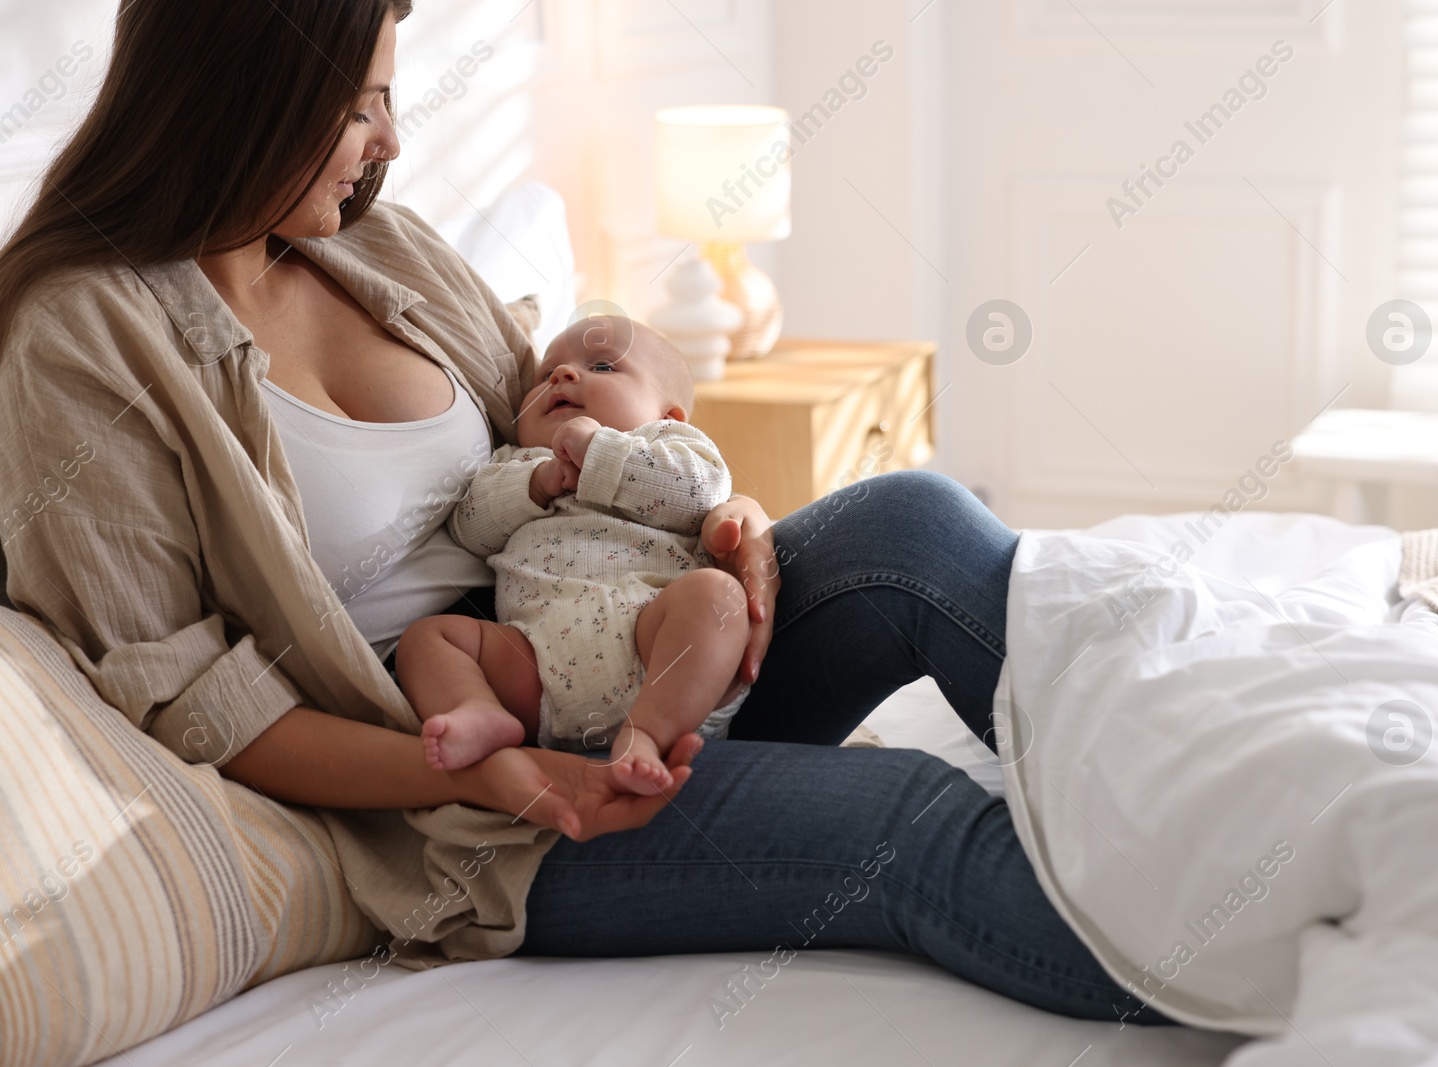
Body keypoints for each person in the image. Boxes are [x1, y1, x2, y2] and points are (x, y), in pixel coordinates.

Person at [0, 0, 1165, 1025]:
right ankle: (1227, 944)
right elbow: (198, 705)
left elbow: (573, 442)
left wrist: (728, 517)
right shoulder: (82, 338)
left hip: (639, 643)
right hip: (490, 796)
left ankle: (1188, 785)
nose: (390, 144)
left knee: (914, 521)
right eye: (356, 110)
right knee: (911, 823)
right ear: (243, 95)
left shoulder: (376, 245)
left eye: (389, 102)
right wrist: (475, 775)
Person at [399, 316, 752, 792]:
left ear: (666, 416)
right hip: (538, 665)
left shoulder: (668, 446)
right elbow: (471, 530)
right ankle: (478, 711)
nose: (562, 376)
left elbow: (699, 494)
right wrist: (536, 484)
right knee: (427, 639)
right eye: (546, 374)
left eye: (603, 366)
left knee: (718, 596)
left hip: (656, 644)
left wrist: (600, 452)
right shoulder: (516, 463)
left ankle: (645, 735)